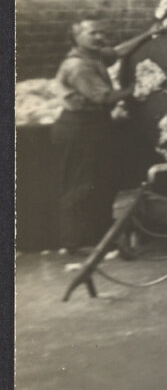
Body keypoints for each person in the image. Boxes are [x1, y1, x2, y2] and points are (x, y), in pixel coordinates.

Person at [51, 19, 130, 253]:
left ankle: (97, 238)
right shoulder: (79, 66)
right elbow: (104, 98)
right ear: (76, 36)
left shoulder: (92, 55)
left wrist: (150, 33)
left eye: (102, 33)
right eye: (93, 33)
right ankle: (75, 243)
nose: (99, 37)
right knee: (80, 184)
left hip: (94, 126)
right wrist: (137, 89)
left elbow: (116, 52)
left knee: (98, 182)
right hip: (78, 128)